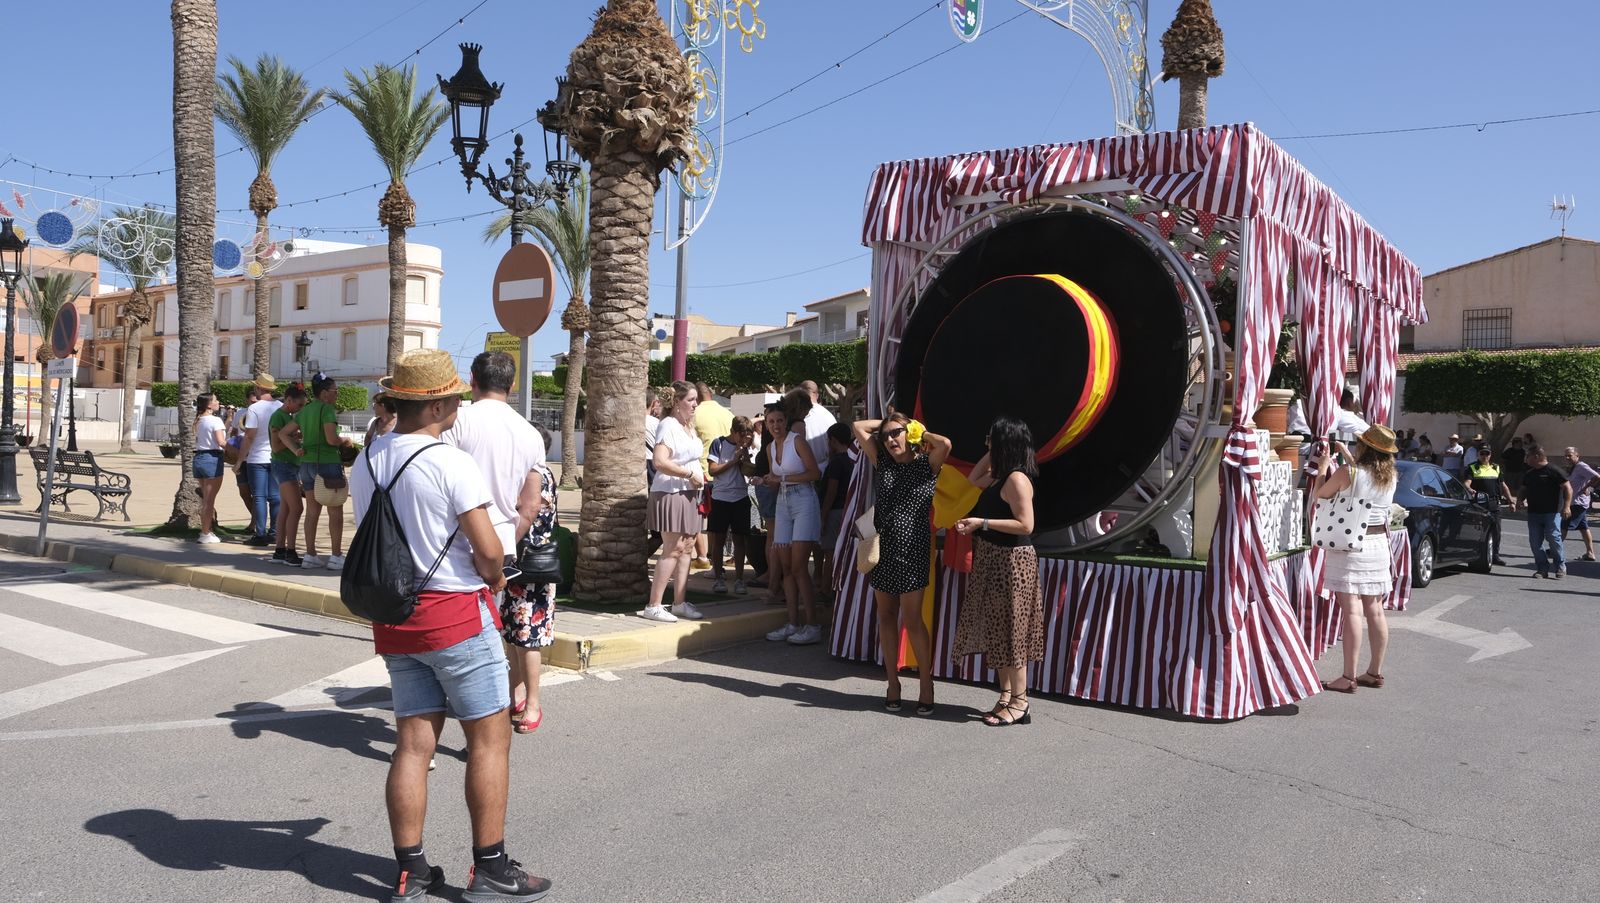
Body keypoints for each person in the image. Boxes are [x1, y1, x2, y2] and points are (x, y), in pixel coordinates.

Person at [348, 349, 550, 903]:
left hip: (396, 619)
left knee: (413, 746)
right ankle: (490, 867)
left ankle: (410, 872)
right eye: (455, 396)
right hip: (456, 616)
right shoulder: (449, 461)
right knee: (489, 741)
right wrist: (498, 578)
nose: (461, 402)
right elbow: (489, 553)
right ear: (435, 404)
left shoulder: (367, 460)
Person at [443, 352, 551, 732]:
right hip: (504, 543)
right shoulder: (530, 432)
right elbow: (530, 504)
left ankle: (477, 713)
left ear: (472, 378)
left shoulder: (458, 421)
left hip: (455, 543)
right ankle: (494, 709)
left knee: (461, 634)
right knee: (495, 630)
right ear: (512, 384)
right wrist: (507, 537)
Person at [852, 410, 951, 713]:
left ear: (911, 435)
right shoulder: (881, 462)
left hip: (914, 550)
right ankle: (892, 682)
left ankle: (925, 683)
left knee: (912, 620)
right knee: (885, 616)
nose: (890, 439)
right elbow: (857, 426)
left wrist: (919, 430)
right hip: (883, 550)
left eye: (896, 433)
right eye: (885, 436)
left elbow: (945, 444)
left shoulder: (926, 464)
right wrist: (887, 425)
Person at [954, 415, 1042, 726]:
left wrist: (983, 523)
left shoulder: (1017, 479)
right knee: (997, 630)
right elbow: (972, 479)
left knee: (1012, 633)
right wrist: (995, 449)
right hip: (994, 558)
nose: (986, 443)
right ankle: (1006, 694)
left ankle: (1021, 702)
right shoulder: (999, 476)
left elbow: (1026, 524)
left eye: (991, 439)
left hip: (1013, 561)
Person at [1311, 424, 1401, 693]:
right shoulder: (1390, 477)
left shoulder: (1346, 472)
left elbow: (1321, 494)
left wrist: (1322, 469)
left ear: (1364, 447)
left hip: (1350, 545)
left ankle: (1348, 677)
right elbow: (1361, 481)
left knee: (1351, 611)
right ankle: (1374, 671)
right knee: (1375, 610)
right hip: (1377, 545)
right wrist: (1346, 458)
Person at [762, 390, 826, 646]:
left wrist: (782, 479)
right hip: (783, 503)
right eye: (771, 422)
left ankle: (812, 624)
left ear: (785, 422)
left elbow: (814, 474)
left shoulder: (797, 441)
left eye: (779, 421)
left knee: (799, 566)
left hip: (804, 501)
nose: (775, 426)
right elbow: (775, 480)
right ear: (766, 425)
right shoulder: (769, 448)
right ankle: (792, 622)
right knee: (787, 567)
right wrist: (765, 480)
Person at [503, 440, 558, 735]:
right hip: (517, 566)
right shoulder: (525, 472)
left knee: (528, 636)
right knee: (513, 635)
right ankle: (517, 694)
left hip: (533, 567)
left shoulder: (540, 475)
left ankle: (533, 703)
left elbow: (530, 508)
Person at [644, 381, 707, 622]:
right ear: (677, 402)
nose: (695, 404)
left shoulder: (686, 426)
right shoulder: (669, 425)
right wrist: (689, 474)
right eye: (690, 400)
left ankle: (679, 602)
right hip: (671, 493)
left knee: (687, 547)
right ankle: (654, 604)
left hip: (690, 494)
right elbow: (659, 461)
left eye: (695, 400)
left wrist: (697, 475)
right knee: (673, 549)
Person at [298, 374, 355, 571]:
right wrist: (346, 441)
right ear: (324, 394)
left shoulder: (305, 410)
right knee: (335, 510)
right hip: (328, 463)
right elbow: (332, 439)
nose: (337, 394)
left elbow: (284, 432)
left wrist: (296, 448)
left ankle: (310, 554)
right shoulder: (327, 409)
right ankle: (336, 555)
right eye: (334, 391)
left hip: (307, 463)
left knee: (312, 511)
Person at [706, 416, 755, 594]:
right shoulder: (718, 443)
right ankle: (719, 578)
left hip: (740, 497)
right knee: (718, 540)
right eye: (741, 436)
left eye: (747, 437)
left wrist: (745, 458)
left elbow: (748, 471)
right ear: (733, 432)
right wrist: (733, 461)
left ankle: (740, 579)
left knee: (740, 540)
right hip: (720, 497)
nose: (743, 440)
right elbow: (713, 470)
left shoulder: (745, 447)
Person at [238, 375, 282, 548]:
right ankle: (275, 532)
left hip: (256, 458)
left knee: (259, 497)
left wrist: (239, 459)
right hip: (276, 456)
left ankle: (260, 533)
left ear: (259, 389)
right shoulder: (280, 407)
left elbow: (249, 436)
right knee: (275, 497)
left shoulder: (254, 408)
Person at [268, 384, 309, 566]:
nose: (301, 409)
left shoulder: (288, 416)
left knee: (286, 509)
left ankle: (280, 550)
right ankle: (290, 552)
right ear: (289, 400)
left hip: (289, 465)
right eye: (299, 405)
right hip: (283, 465)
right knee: (297, 508)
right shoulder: (279, 416)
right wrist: (292, 437)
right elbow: (276, 446)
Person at [1517, 445, 1571, 579]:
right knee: (1535, 542)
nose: (1526, 459)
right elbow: (1523, 489)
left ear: (1536, 457)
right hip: (1534, 513)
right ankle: (1542, 568)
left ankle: (1560, 566)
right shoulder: (1529, 474)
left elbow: (1568, 488)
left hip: (1552, 513)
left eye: (1527, 456)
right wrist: (1519, 500)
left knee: (1554, 538)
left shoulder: (1553, 470)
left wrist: (1567, 506)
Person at [817, 422, 855, 583]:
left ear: (833, 440)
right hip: (849, 510)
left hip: (834, 511)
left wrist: (823, 516)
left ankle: (827, 587)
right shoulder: (854, 459)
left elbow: (831, 491)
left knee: (830, 552)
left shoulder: (836, 463)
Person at [1466, 445, 1513, 566]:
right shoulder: (1472, 467)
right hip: (1479, 504)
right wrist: (1470, 490)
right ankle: (1474, 555)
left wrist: (1511, 501)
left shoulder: (1496, 468)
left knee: (1496, 530)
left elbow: (1503, 486)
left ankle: (1495, 556)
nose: (1484, 456)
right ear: (1478, 454)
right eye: (1482, 453)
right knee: (1478, 530)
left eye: (1487, 454)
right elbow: (1466, 483)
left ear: (1490, 455)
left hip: (1494, 503)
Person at [192, 394, 227, 545]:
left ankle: (206, 530)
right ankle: (205, 533)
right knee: (209, 500)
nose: (218, 402)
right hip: (212, 459)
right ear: (209, 404)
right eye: (215, 400)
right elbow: (221, 442)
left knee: (206, 498)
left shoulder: (199, 419)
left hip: (199, 458)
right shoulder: (215, 420)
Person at [1561, 447, 1598, 562]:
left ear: (1577, 455)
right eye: (1566, 455)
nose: (1567, 458)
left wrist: (1588, 488)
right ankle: (1590, 553)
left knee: (1563, 526)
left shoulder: (1581, 466)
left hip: (1578, 503)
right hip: (1576, 501)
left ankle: (1554, 550)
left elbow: (1597, 476)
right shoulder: (1574, 468)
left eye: (1570, 455)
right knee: (1583, 528)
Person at [230, 385, 262, 518]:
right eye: (252, 402)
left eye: (256, 402)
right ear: (247, 401)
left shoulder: (262, 412)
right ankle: (255, 519)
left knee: (257, 493)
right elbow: (234, 431)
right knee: (244, 492)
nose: (254, 404)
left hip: (256, 457)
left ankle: (255, 523)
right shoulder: (240, 413)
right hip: (242, 458)